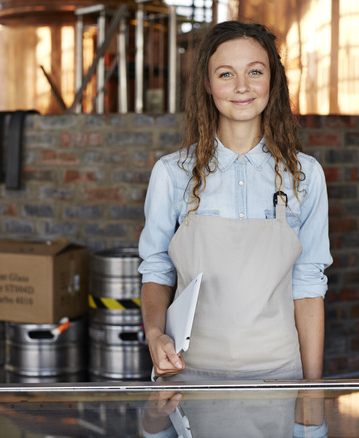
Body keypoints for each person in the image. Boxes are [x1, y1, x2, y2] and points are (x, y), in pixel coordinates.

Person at [138, 20, 332, 382]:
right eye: (226, 74)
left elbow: (308, 288)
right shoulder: (172, 174)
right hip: (188, 376)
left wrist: (312, 391)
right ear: (207, 84)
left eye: (255, 71)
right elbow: (157, 270)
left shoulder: (305, 176)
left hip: (280, 377)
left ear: (272, 80)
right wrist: (154, 334)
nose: (242, 86)